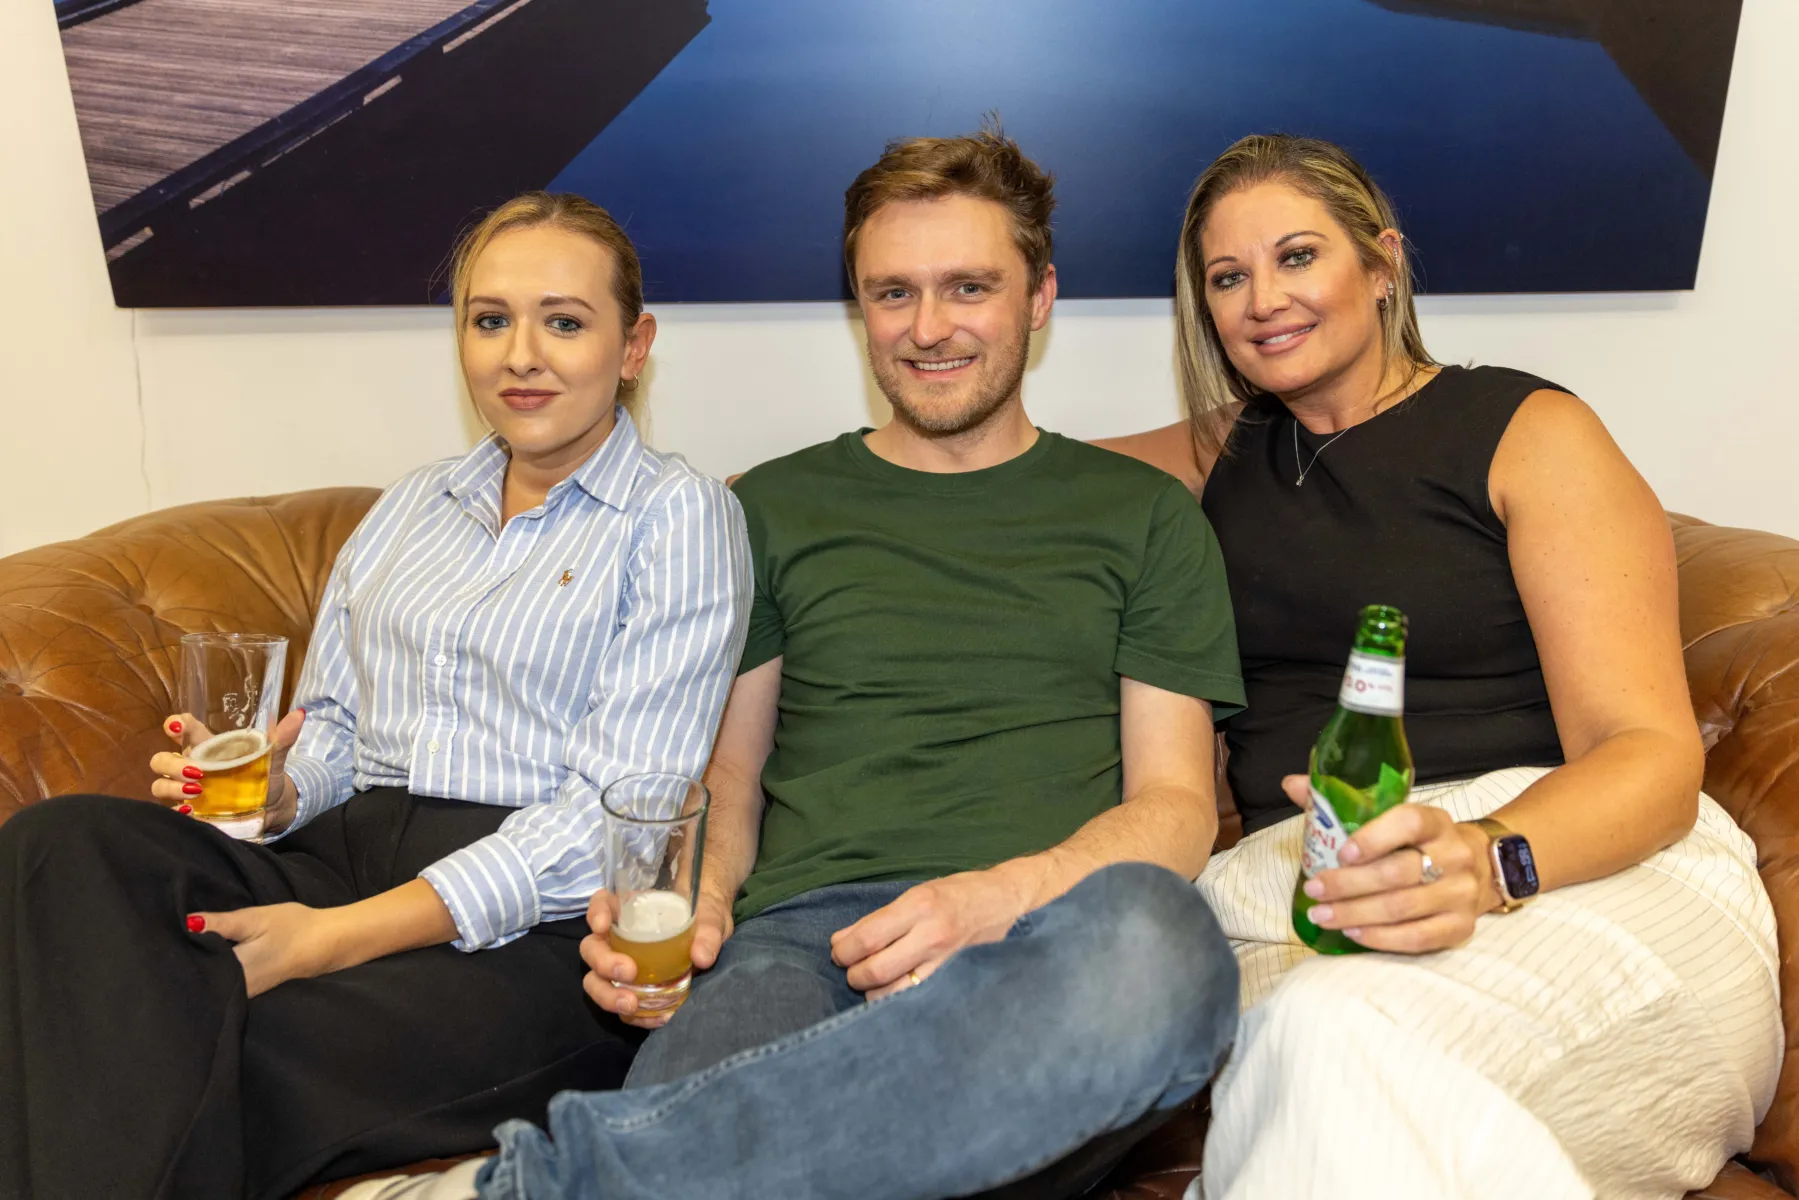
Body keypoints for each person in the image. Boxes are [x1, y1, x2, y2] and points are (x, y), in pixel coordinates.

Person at [348, 125, 1245, 1200]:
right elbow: (728, 777)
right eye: (892, 293)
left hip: (1037, 944)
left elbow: (1175, 808)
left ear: (1039, 297)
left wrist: (994, 900)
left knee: (1165, 949)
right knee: (737, 1075)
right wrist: (695, 908)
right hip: (798, 948)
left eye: (968, 287)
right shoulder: (768, 509)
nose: (927, 327)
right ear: (859, 307)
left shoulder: (1143, 514)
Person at [0, 192, 751, 1200]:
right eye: (490, 320)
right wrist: (279, 791)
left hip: (529, 934)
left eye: (564, 322)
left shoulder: (677, 516)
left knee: (201, 1037)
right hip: (336, 859)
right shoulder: (412, 506)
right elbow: (335, 731)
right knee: (59, 844)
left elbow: (609, 815)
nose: (521, 355)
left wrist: (331, 940)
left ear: (633, 346)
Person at [1102, 134, 1780, 1199]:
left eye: (1296, 256)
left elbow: (1647, 752)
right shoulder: (1211, 458)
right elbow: (994, 470)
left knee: (1325, 1050)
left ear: (1381, 265)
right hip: (1296, 896)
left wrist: (1487, 858)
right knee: (1316, 1056)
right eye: (1226, 278)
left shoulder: (1525, 432)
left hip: (1570, 866)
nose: (1261, 300)